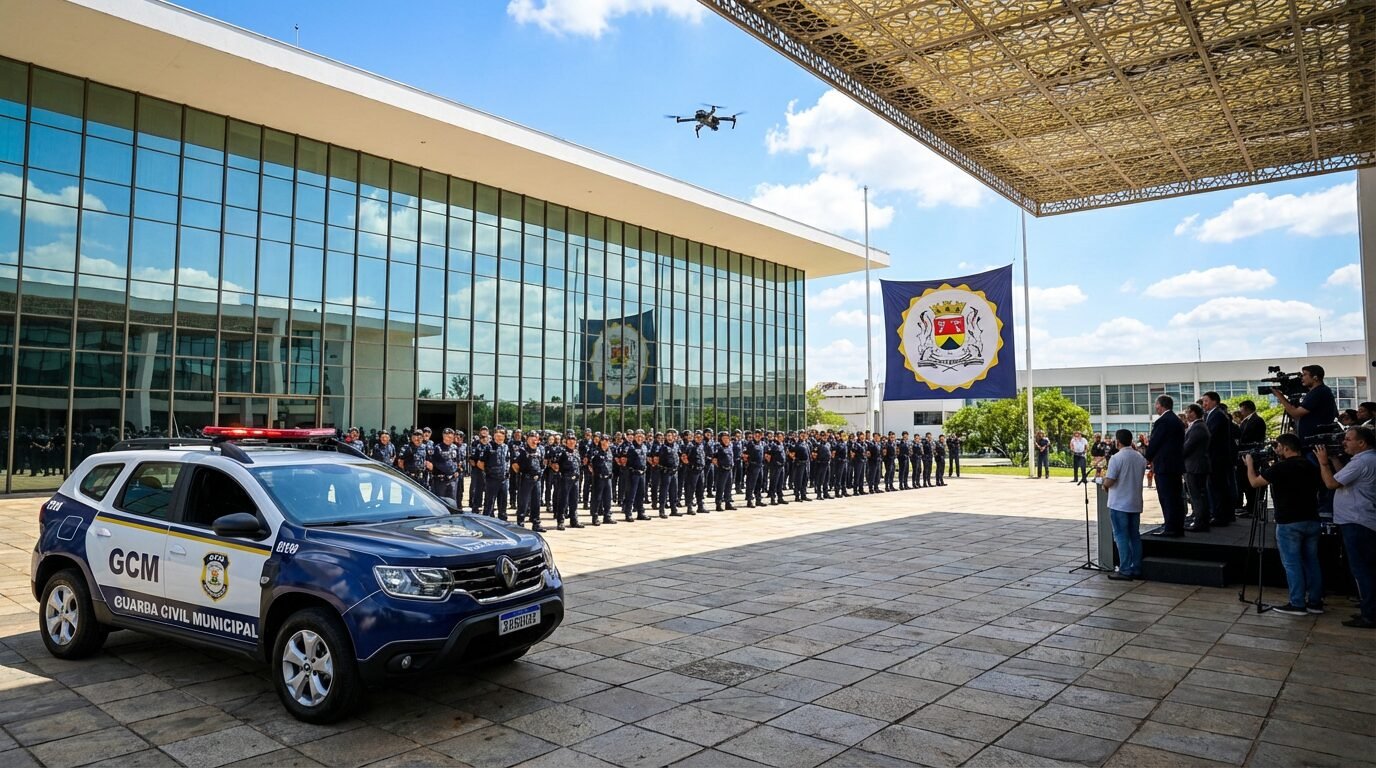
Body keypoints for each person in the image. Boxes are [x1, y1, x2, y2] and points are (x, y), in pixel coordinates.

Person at [1245, 434, 1322, 616]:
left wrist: (1249, 464)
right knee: (1312, 562)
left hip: (1289, 521)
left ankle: (1297, 603)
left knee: (1292, 563)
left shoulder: (1281, 467)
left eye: (1278, 446)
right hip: (1311, 518)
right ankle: (1315, 602)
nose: (1276, 450)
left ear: (1286, 448)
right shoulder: (1310, 465)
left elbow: (1255, 482)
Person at [1315, 427, 1376, 629]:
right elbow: (1344, 476)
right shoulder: (1366, 460)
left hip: (1357, 521)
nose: (1344, 442)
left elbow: (1332, 483)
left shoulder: (1362, 461)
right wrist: (1333, 460)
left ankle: (1370, 614)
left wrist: (1323, 462)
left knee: (1362, 570)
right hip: (1361, 520)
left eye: (1348, 439)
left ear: (1362, 443)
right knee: (1365, 568)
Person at [1100, 429, 1146, 580]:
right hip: (1134, 502)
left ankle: (1125, 569)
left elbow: (1111, 479)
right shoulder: (1140, 457)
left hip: (1119, 503)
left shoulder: (1116, 458)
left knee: (1121, 536)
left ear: (1118, 442)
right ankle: (1137, 567)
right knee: (1134, 536)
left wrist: (1104, 485)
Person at [1144, 395, 1186, 537]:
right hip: (1175, 465)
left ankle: (1170, 528)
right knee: (1176, 497)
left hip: (1165, 465)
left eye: (1156, 404)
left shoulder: (1163, 421)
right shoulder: (1177, 420)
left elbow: (1155, 442)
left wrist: (1146, 458)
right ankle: (1177, 526)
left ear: (1161, 405)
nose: (1155, 407)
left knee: (1167, 497)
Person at [1201, 391, 1236, 527]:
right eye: (1203, 401)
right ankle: (1219, 514)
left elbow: (1210, 436)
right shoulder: (1210, 415)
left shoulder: (1218, 415)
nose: (1204, 404)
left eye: (1206, 401)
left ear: (1214, 401)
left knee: (1218, 487)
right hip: (1213, 457)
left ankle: (1221, 515)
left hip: (1217, 458)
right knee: (1215, 487)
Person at [1236, 401, 1266, 515]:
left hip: (1252, 456)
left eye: (1241, 409)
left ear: (1247, 409)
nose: (1240, 411)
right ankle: (1250, 506)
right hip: (1246, 455)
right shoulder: (1247, 421)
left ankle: (1253, 508)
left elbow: (1248, 437)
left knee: (1251, 482)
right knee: (1245, 483)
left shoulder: (1256, 421)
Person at [429, 428, 463, 507]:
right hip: (440, 480)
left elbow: (459, 461)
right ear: (443, 437)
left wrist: (457, 471)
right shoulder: (438, 448)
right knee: (440, 502)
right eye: (447, 437)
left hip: (452, 480)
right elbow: (433, 463)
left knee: (452, 502)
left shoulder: (455, 448)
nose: (449, 439)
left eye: (451, 437)